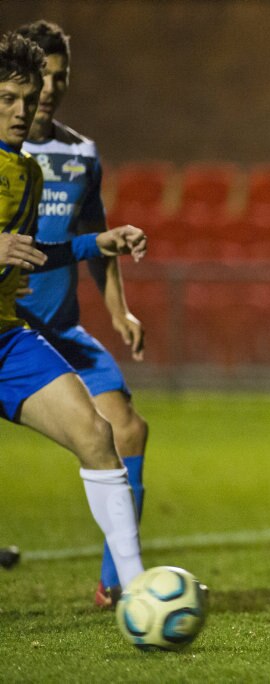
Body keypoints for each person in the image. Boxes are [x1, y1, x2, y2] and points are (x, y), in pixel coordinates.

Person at [0, 30, 148, 599]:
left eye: (28, 94)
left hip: (8, 337)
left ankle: (134, 592)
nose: (26, 107)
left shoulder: (29, 173)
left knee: (99, 431)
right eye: (8, 98)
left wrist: (99, 242)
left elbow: (37, 253)